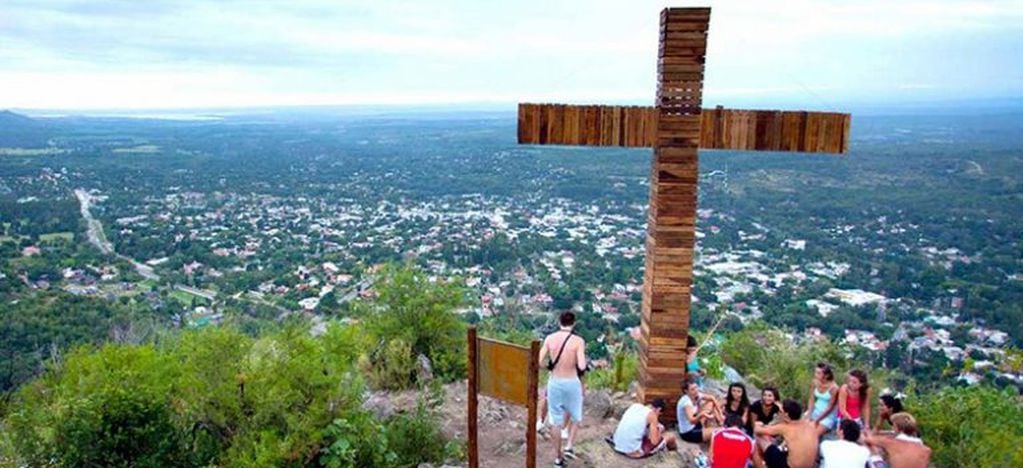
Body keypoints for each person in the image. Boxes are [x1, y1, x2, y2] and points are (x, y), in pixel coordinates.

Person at [537, 312, 587, 467]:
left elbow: (538, 360)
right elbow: (582, 366)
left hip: (555, 381)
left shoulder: (550, 339)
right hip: (572, 381)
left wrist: (549, 366)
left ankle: (558, 458)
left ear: (559, 322)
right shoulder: (578, 341)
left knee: (555, 421)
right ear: (574, 323)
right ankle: (569, 446)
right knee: (576, 416)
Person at [754, 399, 819, 468]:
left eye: (780, 411)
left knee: (759, 437)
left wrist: (759, 424)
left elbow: (757, 430)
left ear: (786, 414)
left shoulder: (785, 427)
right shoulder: (809, 424)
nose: (778, 413)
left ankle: (760, 464)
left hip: (789, 466)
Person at [612, 398, 678, 458]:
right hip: (632, 452)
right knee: (670, 437)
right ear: (659, 410)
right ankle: (674, 456)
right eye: (659, 414)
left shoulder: (635, 406)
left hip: (617, 444)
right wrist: (659, 431)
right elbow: (654, 442)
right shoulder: (652, 415)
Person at [864, 412, 932, 468]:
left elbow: (868, 439)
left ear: (897, 427)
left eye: (893, 426)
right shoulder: (926, 450)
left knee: (873, 451)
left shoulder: (891, 442)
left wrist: (879, 420)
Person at [677, 376, 720, 443]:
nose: (696, 390)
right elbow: (691, 421)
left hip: (696, 424)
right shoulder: (686, 402)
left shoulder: (696, 395)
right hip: (689, 432)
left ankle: (706, 428)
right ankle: (706, 433)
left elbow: (712, 398)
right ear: (686, 391)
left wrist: (720, 414)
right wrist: (702, 414)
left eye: (696, 387)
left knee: (710, 403)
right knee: (719, 431)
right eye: (692, 389)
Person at [806, 362, 839, 437]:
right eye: (816, 372)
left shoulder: (834, 388)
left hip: (827, 415)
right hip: (815, 410)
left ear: (826, 375)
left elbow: (830, 408)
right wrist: (809, 415)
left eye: (818, 373)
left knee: (812, 435)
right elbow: (811, 399)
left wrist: (817, 420)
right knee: (798, 426)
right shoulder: (815, 382)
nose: (815, 375)